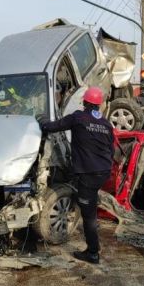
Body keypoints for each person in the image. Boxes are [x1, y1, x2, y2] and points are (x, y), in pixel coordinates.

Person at [37, 87, 114, 264]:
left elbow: (52, 127)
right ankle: (85, 204)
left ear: (85, 102)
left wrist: (42, 120)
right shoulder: (106, 124)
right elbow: (111, 149)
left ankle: (93, 253)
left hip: (89, 173)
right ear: (99, 105)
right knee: (87, 200)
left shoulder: (78, 117)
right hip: (103, 172)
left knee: (89, 215)